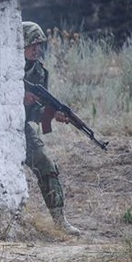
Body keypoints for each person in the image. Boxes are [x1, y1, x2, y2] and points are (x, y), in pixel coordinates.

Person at [22, 22, 80, 236]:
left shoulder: (39, 72)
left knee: (47, 164)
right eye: (31, 44)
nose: (36, 49)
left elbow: (37, 113)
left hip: (23, 128)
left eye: (38, 44)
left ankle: (59, 220)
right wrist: (19, 98)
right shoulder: (5, 68)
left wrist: (52, 114)